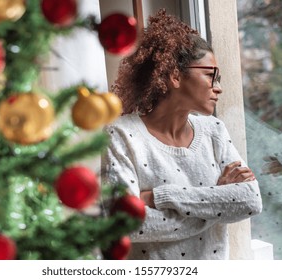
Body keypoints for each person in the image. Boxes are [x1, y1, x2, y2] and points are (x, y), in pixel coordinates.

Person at [101, 9, 262, 260]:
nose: (218, 88)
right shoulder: (121, 135)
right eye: (211, 75)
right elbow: (125, 223)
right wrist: (217, 200)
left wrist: (160, 197)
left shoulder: (214, 131)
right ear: (175, 75)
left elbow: (251, 201)